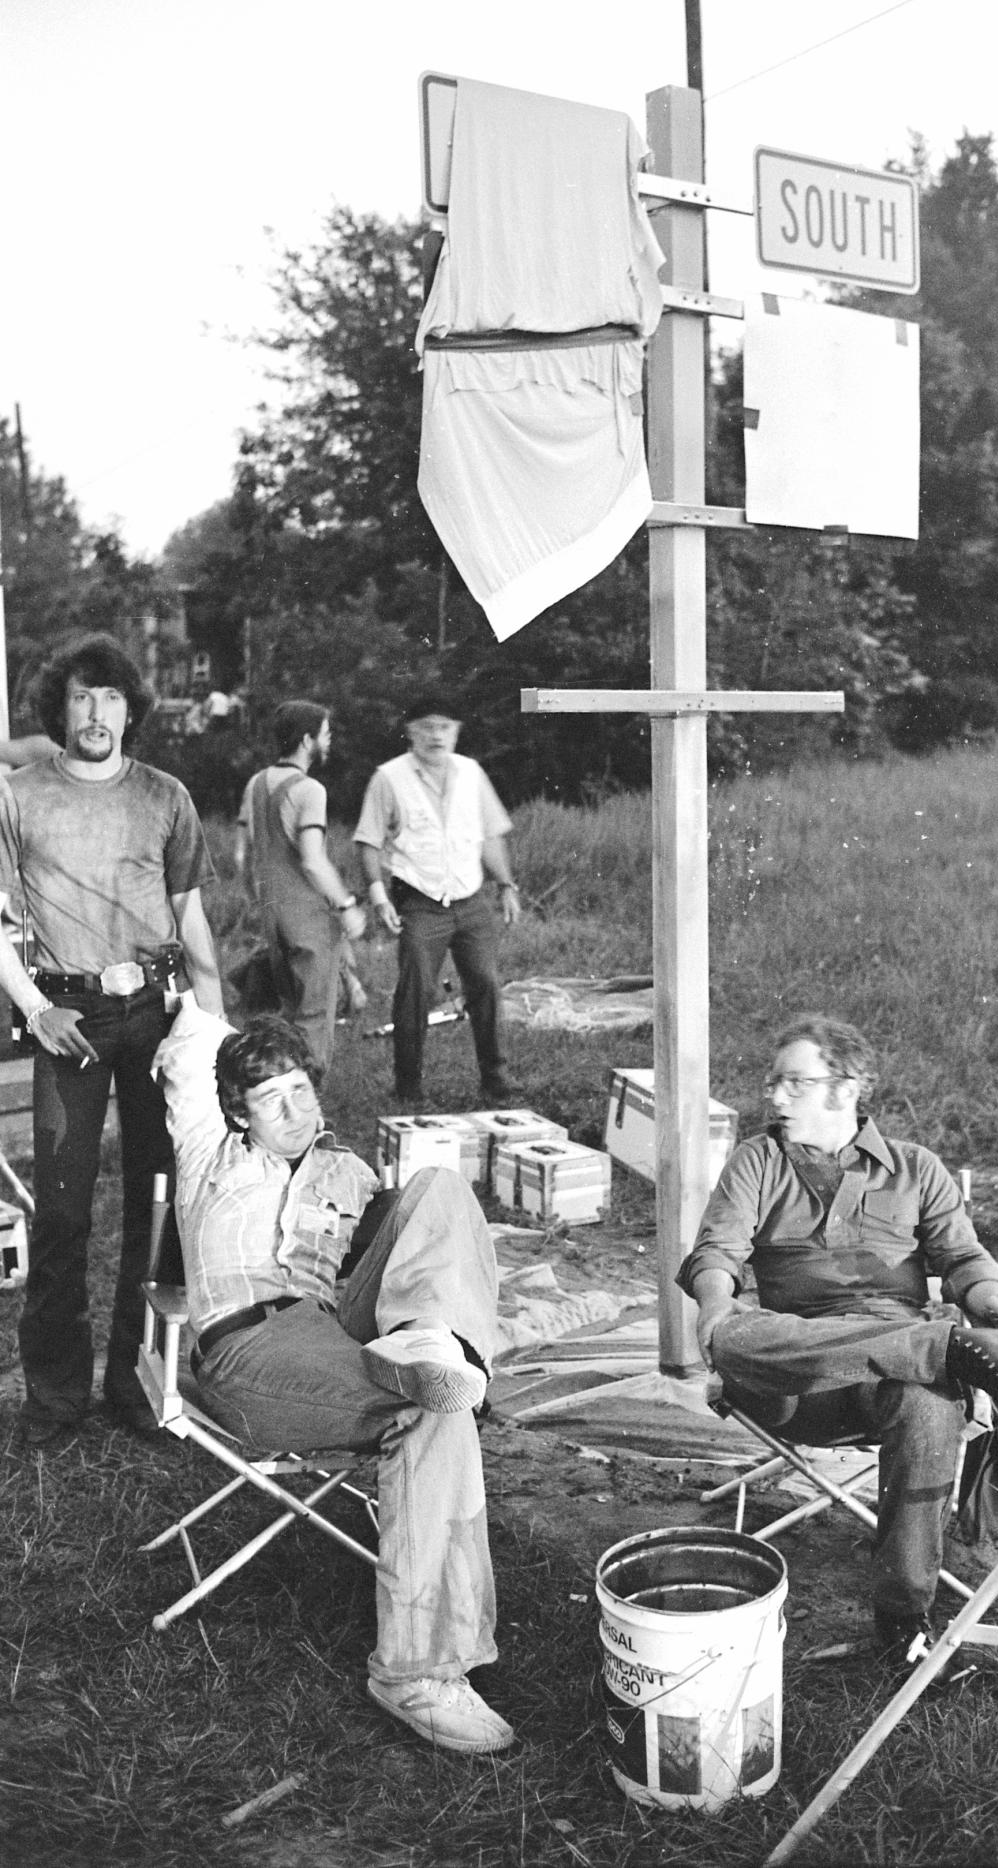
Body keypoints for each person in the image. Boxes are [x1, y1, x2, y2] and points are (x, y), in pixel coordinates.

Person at [154, 996, 514, 1755]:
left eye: (301, 1089)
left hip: (335, 1326)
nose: (291, 1110)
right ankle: (414, 1673)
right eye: (269, 1097)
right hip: (251, 1348)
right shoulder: (207, 1154)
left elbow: (414, 1252)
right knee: (429, 1414)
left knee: (440, 1190)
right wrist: (180, 971)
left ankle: (434, 1344)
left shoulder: (344, 1170)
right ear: (237, 1112)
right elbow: (190, 1035)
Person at [678, 1014, 998, 1670]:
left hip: (888, 1390)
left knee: (928, 1404)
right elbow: (717, 1252)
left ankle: (903, 1616)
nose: (775, 1096)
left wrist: (997, 1301)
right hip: (798, 1381)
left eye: (793, 1083)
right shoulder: (758, 1162)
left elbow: (965, 1262)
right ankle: (938, 1347)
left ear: (845, 1088)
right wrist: (713, 1309)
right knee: (733, 1339)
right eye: (774, 1082)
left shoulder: (917, 1169)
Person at [0, 633, 222, 1449]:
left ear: (133, 709)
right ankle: (55, 1400)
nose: (96, 715)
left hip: (160, 1017)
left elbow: (193, 919)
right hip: (69, 1023)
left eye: (111, 698)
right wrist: (33, 1006)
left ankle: (140, 1386)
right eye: (81, 698)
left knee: (159, 1207)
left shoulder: (166, 795)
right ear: (59, 708)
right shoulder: (18, 796)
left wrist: (212, 1032)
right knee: (60, 1214)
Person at [353, 693, 520, 1107]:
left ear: (457, 732)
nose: (436, 735)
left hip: (470, 899)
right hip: (420, 902)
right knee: (415, 992)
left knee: (484, 983)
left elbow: (490, 835)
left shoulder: (472, 773)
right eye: (426, 726)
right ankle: (408, 1085)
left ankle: (495, 1079)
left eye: (445, 726)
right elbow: (368, 842)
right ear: (410, 732)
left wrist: (506, 886)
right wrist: (378, 898)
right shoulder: (388, 778)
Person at [235, 701, 368, 1070]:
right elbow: (312, 859)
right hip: (307, 915)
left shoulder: (256, 784)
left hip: (271, 913)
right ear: (307, 739)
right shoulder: (310, 790)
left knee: (287, 1010)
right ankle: (308, 1099)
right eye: (325, 734)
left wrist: (258, 900)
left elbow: (242, 858)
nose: (330, 740)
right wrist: (346, 906)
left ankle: (278, 1084)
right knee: (313, 1016)